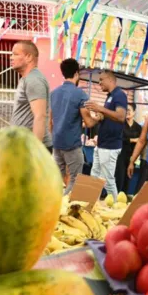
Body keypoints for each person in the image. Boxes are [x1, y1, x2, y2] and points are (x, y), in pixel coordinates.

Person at [50, 58, 98, 194]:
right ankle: (66, 205)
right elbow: (88, 122)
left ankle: (55, 206)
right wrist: (99, 118)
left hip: (57, 143)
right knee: (75, 180)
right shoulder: (80, 94)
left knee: (56, 180)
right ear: (77, 74)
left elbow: (50, 120)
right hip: (72, 144)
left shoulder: (54, 93)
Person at [84, 71, 127, 200]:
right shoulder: (110, 96)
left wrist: (101, 109)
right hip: (102, 144)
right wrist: (100, 116)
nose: (99, 82)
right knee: (94, 175)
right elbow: (110, 115)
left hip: (110, 146)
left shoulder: (120, 95)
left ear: (110, 80)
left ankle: (115, 207)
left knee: (107, 179)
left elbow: (121, 116)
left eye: (102, 79)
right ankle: (92, 202)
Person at [10, 40, 51, 150]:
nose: (11, 57)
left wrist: (35, 150)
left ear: (29, 57)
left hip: (30, 148)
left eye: (15, 54)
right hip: (22, 145)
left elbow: (40, 116)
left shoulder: (34, 80)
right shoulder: (26, 79)